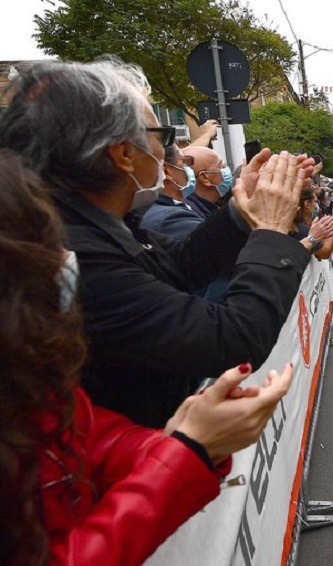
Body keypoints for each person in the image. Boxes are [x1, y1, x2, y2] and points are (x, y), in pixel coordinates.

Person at [0, 150, 293, 566]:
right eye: (45, 249)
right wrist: (188, 451)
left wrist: (179, 439)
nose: (66, 262)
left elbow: (89, 438)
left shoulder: (33, 386)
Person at [0, 59, 316, 427]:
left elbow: (180, 264)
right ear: (123, 155)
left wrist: (242, 211)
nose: (170, 156)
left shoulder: (90, 224)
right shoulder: (78, 256)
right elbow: (232, 340)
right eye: (162, 137)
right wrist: (273, 230)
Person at [140, 143, 205, 240]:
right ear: (166, 171)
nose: (189, 169)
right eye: (184, 162)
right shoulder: (174, 220)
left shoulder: (142, 209)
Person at [182, 146, 232, 220]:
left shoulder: (205, 208)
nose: (226, 168)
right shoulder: (191, 217)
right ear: (205, 178)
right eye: (221, 166)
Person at [292, 186, 333, 259]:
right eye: (316, 201)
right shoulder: (301, 229)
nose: (317, 206)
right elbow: (325, 252)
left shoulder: (304, 224)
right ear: (307, 204)